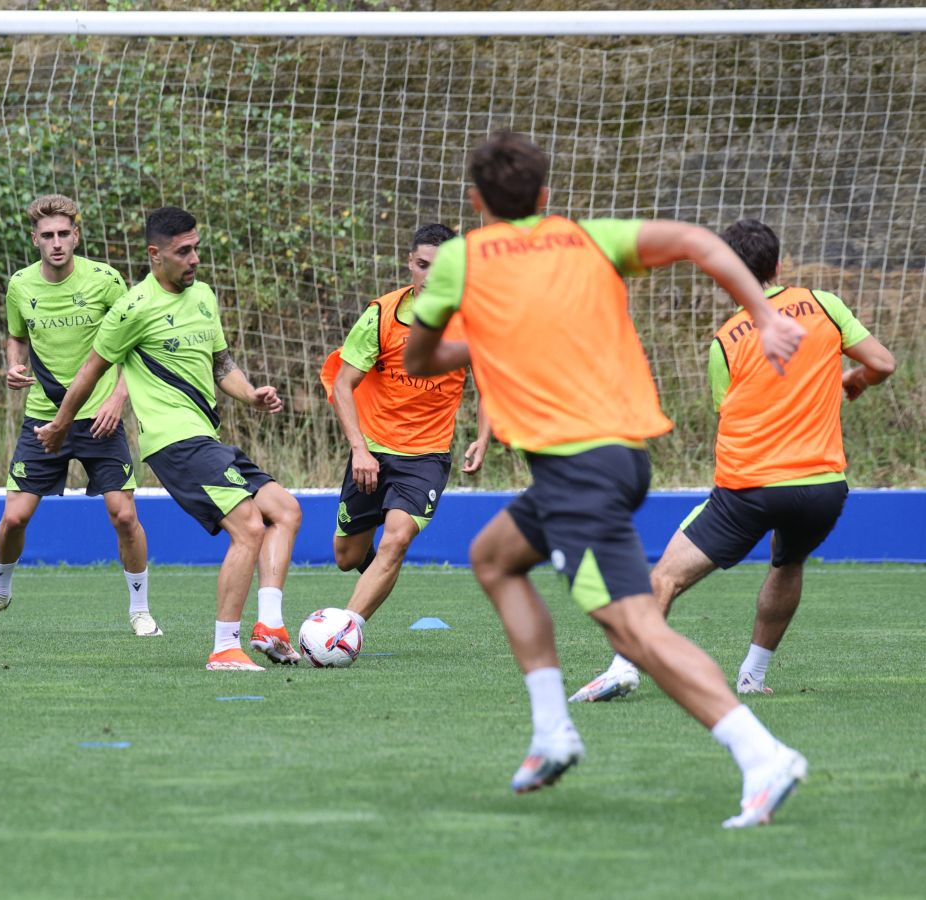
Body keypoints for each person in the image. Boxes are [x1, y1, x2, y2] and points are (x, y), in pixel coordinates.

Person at [404, 131, 809, 828]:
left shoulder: (463, 258)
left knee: (638, 633)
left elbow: (420, 358)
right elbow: (697, 241)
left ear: (477, 202)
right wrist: (765, 314)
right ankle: (551, 730)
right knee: (494, 558)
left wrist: (482, 340)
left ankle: (762, 754)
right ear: (546, 196)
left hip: (577, 475)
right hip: (613, 459)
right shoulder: (588, 238)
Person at [571, 218, 896, 702]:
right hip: (824, 487)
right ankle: (752, 675)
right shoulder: (825, 305)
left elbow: (729, 411)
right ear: (780, 265)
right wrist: (855, 381)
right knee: (787, 565)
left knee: (665, 577)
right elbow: (883, 363)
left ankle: (623, 667)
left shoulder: (725, 341)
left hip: (751, 489)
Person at [35, 207, 303, 671]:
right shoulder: (132, 308)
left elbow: (223, 366)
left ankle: (271, 628)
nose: (195, 258)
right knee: (249, 527)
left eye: (197, 247)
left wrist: (252, 395)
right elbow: (89, 372)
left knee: (285, 510)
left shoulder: (203, 296)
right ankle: (224, 648)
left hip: (206, 436)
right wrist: (61, 423)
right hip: (174, 443)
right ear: (156, 255)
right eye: (184, 251)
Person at [0, 194, 159, 637]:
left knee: (124, 515)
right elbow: (16, 337)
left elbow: (135, 345)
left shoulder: (106, 280)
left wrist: (117, 399)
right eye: (47, 236)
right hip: (43, 418)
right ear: (35, 239)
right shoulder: (20, 285)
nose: (56, 243)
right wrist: (12, 364)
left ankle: (140, 609)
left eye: (64, 234)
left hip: (99, 418)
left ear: (76, 235)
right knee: (14, 518)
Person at [320, 223, 491, 631]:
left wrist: (483, 437)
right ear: (409, 263)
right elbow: (344, 384)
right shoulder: (381, 315)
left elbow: (491, 387)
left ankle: (344, 631)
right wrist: (359, 449)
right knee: (346, 556)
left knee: (396, 539)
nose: (430, 277)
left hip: (427, 455)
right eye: (421, 265)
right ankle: (382, 569)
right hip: (373, 451)